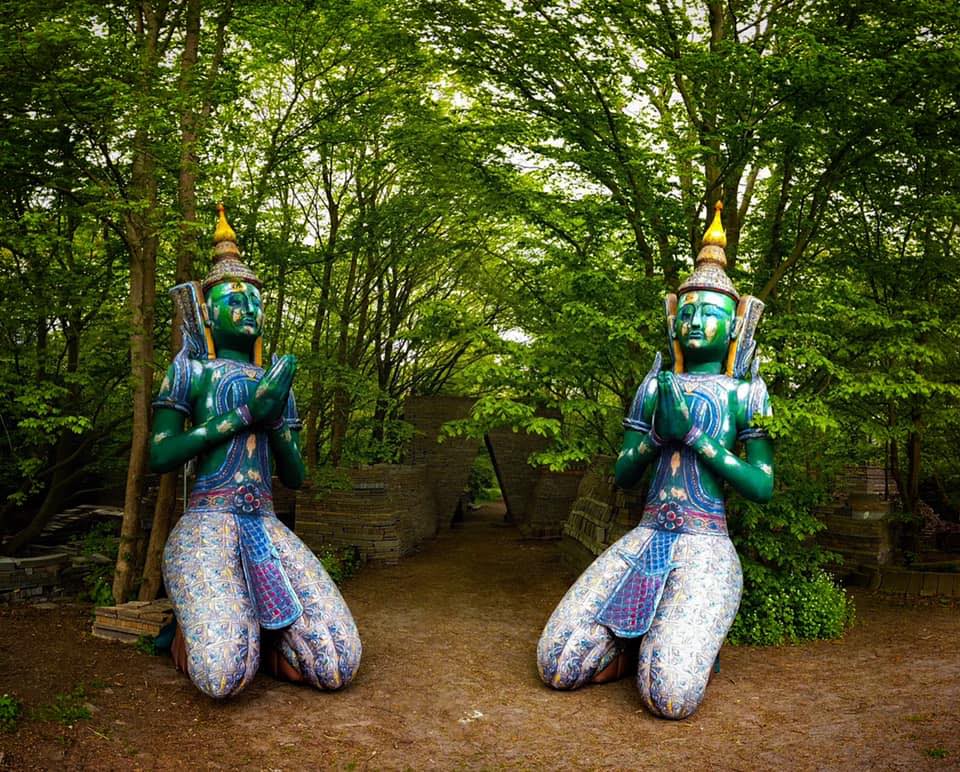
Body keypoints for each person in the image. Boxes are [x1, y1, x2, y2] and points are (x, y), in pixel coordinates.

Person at [536, 202, 773, 719]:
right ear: (671, 324)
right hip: (647, 536)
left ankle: (674, 644)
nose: (694, 320)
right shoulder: (653, 388)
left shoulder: (743, 393)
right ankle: (633, 640)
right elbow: (623, 475)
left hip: (706, 542)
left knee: (670, 696)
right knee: (557, 663)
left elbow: (761, 484)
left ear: (734, 326)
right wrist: (653, 440)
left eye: (710, 311)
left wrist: (695, 438)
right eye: (686, 311)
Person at [149, 204, 361, 699]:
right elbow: (161, 456)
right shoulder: (191, 370)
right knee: (223, 674)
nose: (248, 310)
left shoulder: (276, 381)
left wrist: (275, 418)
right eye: (234, 300)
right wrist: (246, 413)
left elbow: (296, 478)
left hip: (264, 522)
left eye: (255, 302)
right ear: (206, 311)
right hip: (207, 521)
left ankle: (264, 640)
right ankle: (200, 627)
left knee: (336, 662)